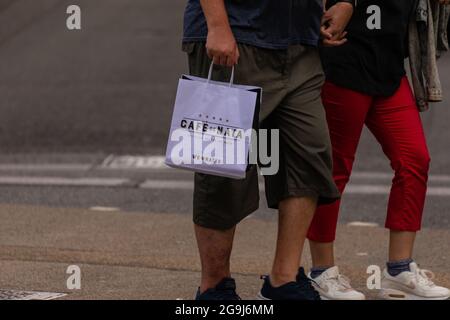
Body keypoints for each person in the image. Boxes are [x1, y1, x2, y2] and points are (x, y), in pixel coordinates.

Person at [182, 0, 354, 300]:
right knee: (223, 166)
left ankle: (283, 280)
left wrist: (344, 3)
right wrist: (218, 26)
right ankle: (215, 285)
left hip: (301, 41)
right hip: (236, 37)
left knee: (308, 154)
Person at [306, 0, 450, 300]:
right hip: (345, 64)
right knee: (335, 169)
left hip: (388, 67)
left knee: (414, 159)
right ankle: (321, 272)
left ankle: (399, 270)